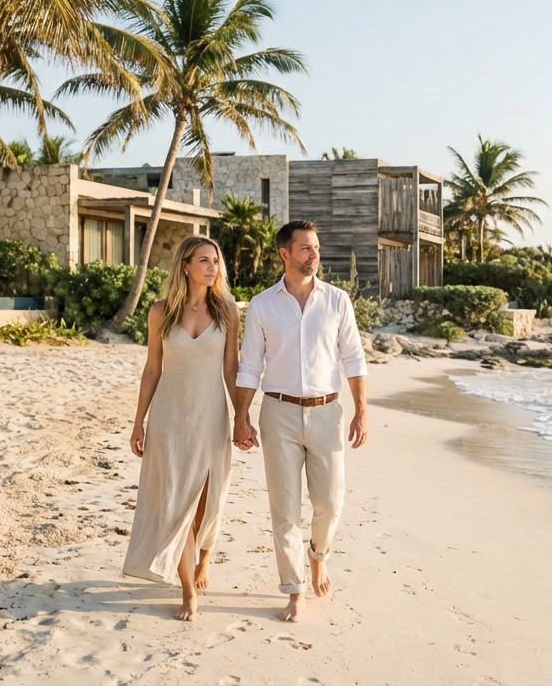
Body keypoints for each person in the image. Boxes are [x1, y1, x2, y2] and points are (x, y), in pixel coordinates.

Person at [233, 219, 369, 622]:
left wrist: (361, 410)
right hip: (278, 413)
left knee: (330, 502)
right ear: (285, 254)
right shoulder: (261, 304)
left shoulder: (338, 300)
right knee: (285, 509)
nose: (314, 255)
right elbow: (249, 367)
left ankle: (318, 555)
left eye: (316, 248)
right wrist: (241, 417)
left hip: (328, 412)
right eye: (306, 248)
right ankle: (294, 590)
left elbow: (354, 358)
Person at [123, 236, 239, 621]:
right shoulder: (161, 312)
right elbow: (153, 368)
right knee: (178, 502)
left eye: (216, 261)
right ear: (185, 265)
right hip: (169, 418)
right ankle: (189, 591)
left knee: (208, 500)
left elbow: (231, 369)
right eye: (204, 260)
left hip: (211, 416)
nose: (212, 267)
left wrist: (243, 416)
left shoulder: (226, 311)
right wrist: (138, 421)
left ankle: (204, 558)